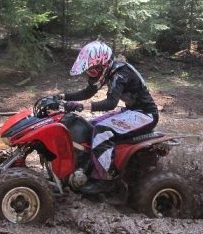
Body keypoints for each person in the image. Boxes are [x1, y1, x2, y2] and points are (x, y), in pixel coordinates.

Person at [61, 40, 159, 194]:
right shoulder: (109, 70)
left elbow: (111, 103)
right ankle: (85, 169)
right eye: (89, 71)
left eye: (92, 70)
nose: (90, 74)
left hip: (145, 114)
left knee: (101, 131)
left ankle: (107, 179)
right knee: (89, 126)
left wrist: (81, 106)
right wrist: (61, 97)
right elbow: (88, 92)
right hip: (132, 111)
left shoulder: (120, 73)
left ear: (102, 64)